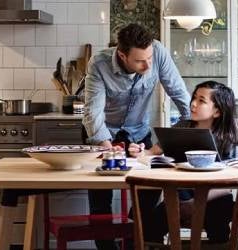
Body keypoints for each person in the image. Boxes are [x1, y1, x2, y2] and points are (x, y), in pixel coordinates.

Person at [82, 23, 191, 249]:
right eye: (140, 61)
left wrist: (180, 131)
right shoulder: (99, 64)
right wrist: (107, 147)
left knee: (149, 192)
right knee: (101, 200)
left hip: (139, 132)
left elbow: (181, 95)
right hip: (104, 133)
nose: (148, 64)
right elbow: (93, 113)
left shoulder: (157, 52)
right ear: (122, 55)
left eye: (149, 58)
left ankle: (133, 241)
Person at [129, 80, 238, 245]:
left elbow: (229, 182)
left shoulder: (228, 137)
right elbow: (152, 152)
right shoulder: (183, 125)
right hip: (180, 198)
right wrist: (140, 151)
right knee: (151, 226)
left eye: (201, 101)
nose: (193, 104)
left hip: (214, 197)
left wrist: (196, 202)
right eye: (194, 98)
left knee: (218, 223)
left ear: (217, 111)